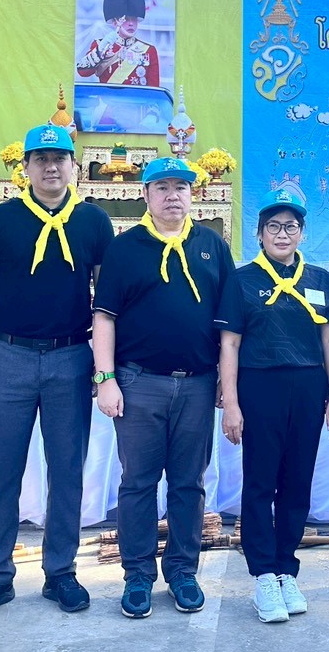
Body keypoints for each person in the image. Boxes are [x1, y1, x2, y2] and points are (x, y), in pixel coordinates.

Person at [0, 123, 114, 620]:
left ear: (74, 166)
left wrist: (105, 369)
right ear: (24, 167)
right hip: (9, 357)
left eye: (60, 158)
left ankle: (61, 571)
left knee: (66, 470)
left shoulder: (93, 221)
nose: (51, 166)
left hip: (71, 358)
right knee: (1, 469)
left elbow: (106, 301)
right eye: (41, 158)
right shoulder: (0, 221)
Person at [92, 157, 233, 619]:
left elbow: (229, 323)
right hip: (138, 383)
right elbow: (104, 317)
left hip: (197, 385)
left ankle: (183, 571)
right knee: (137, 482)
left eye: (181, 187)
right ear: (146, 195)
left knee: (189, 483)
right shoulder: (124, 248)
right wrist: (105, 379)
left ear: (194, 194)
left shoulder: (212, 245)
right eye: (163, 187)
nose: (173, 195)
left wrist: (225, 382)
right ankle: (137, 574)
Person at [217, 188, 329, 623]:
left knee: (297, 481)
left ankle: (287, 569)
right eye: (273, 226)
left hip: (308, 387)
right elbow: (230, 344)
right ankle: (263, 574)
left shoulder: (320, 279)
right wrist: (231, 402)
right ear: (259, 233)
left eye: (291, 226)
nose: (282, 234)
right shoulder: (242, 280)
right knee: (260, 481)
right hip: (260, 385)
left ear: (302, 233)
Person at [76, 0, 161, 87]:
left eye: (134, 19)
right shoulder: (100, 45)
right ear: (115, 22)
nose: (131, 23)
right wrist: (100, 50)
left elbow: (154, 90)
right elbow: (82, 72)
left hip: (137, 99)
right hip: (108, 99)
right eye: (126, 19)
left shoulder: (149, 51)